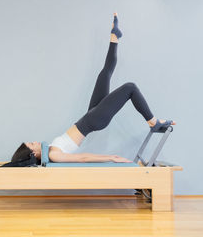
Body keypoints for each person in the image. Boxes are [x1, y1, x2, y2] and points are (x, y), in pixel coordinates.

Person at [11, 13, 175, 164]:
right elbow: (82, 157)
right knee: (130, 88)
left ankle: (114, 37)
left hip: (89, 116)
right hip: (94, 120)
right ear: (33, 153)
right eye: (32, 144)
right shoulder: (53, 154)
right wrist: (110, 157)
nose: (36, 141)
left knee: (104, 74)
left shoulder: (51, 149)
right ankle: (153, 122)